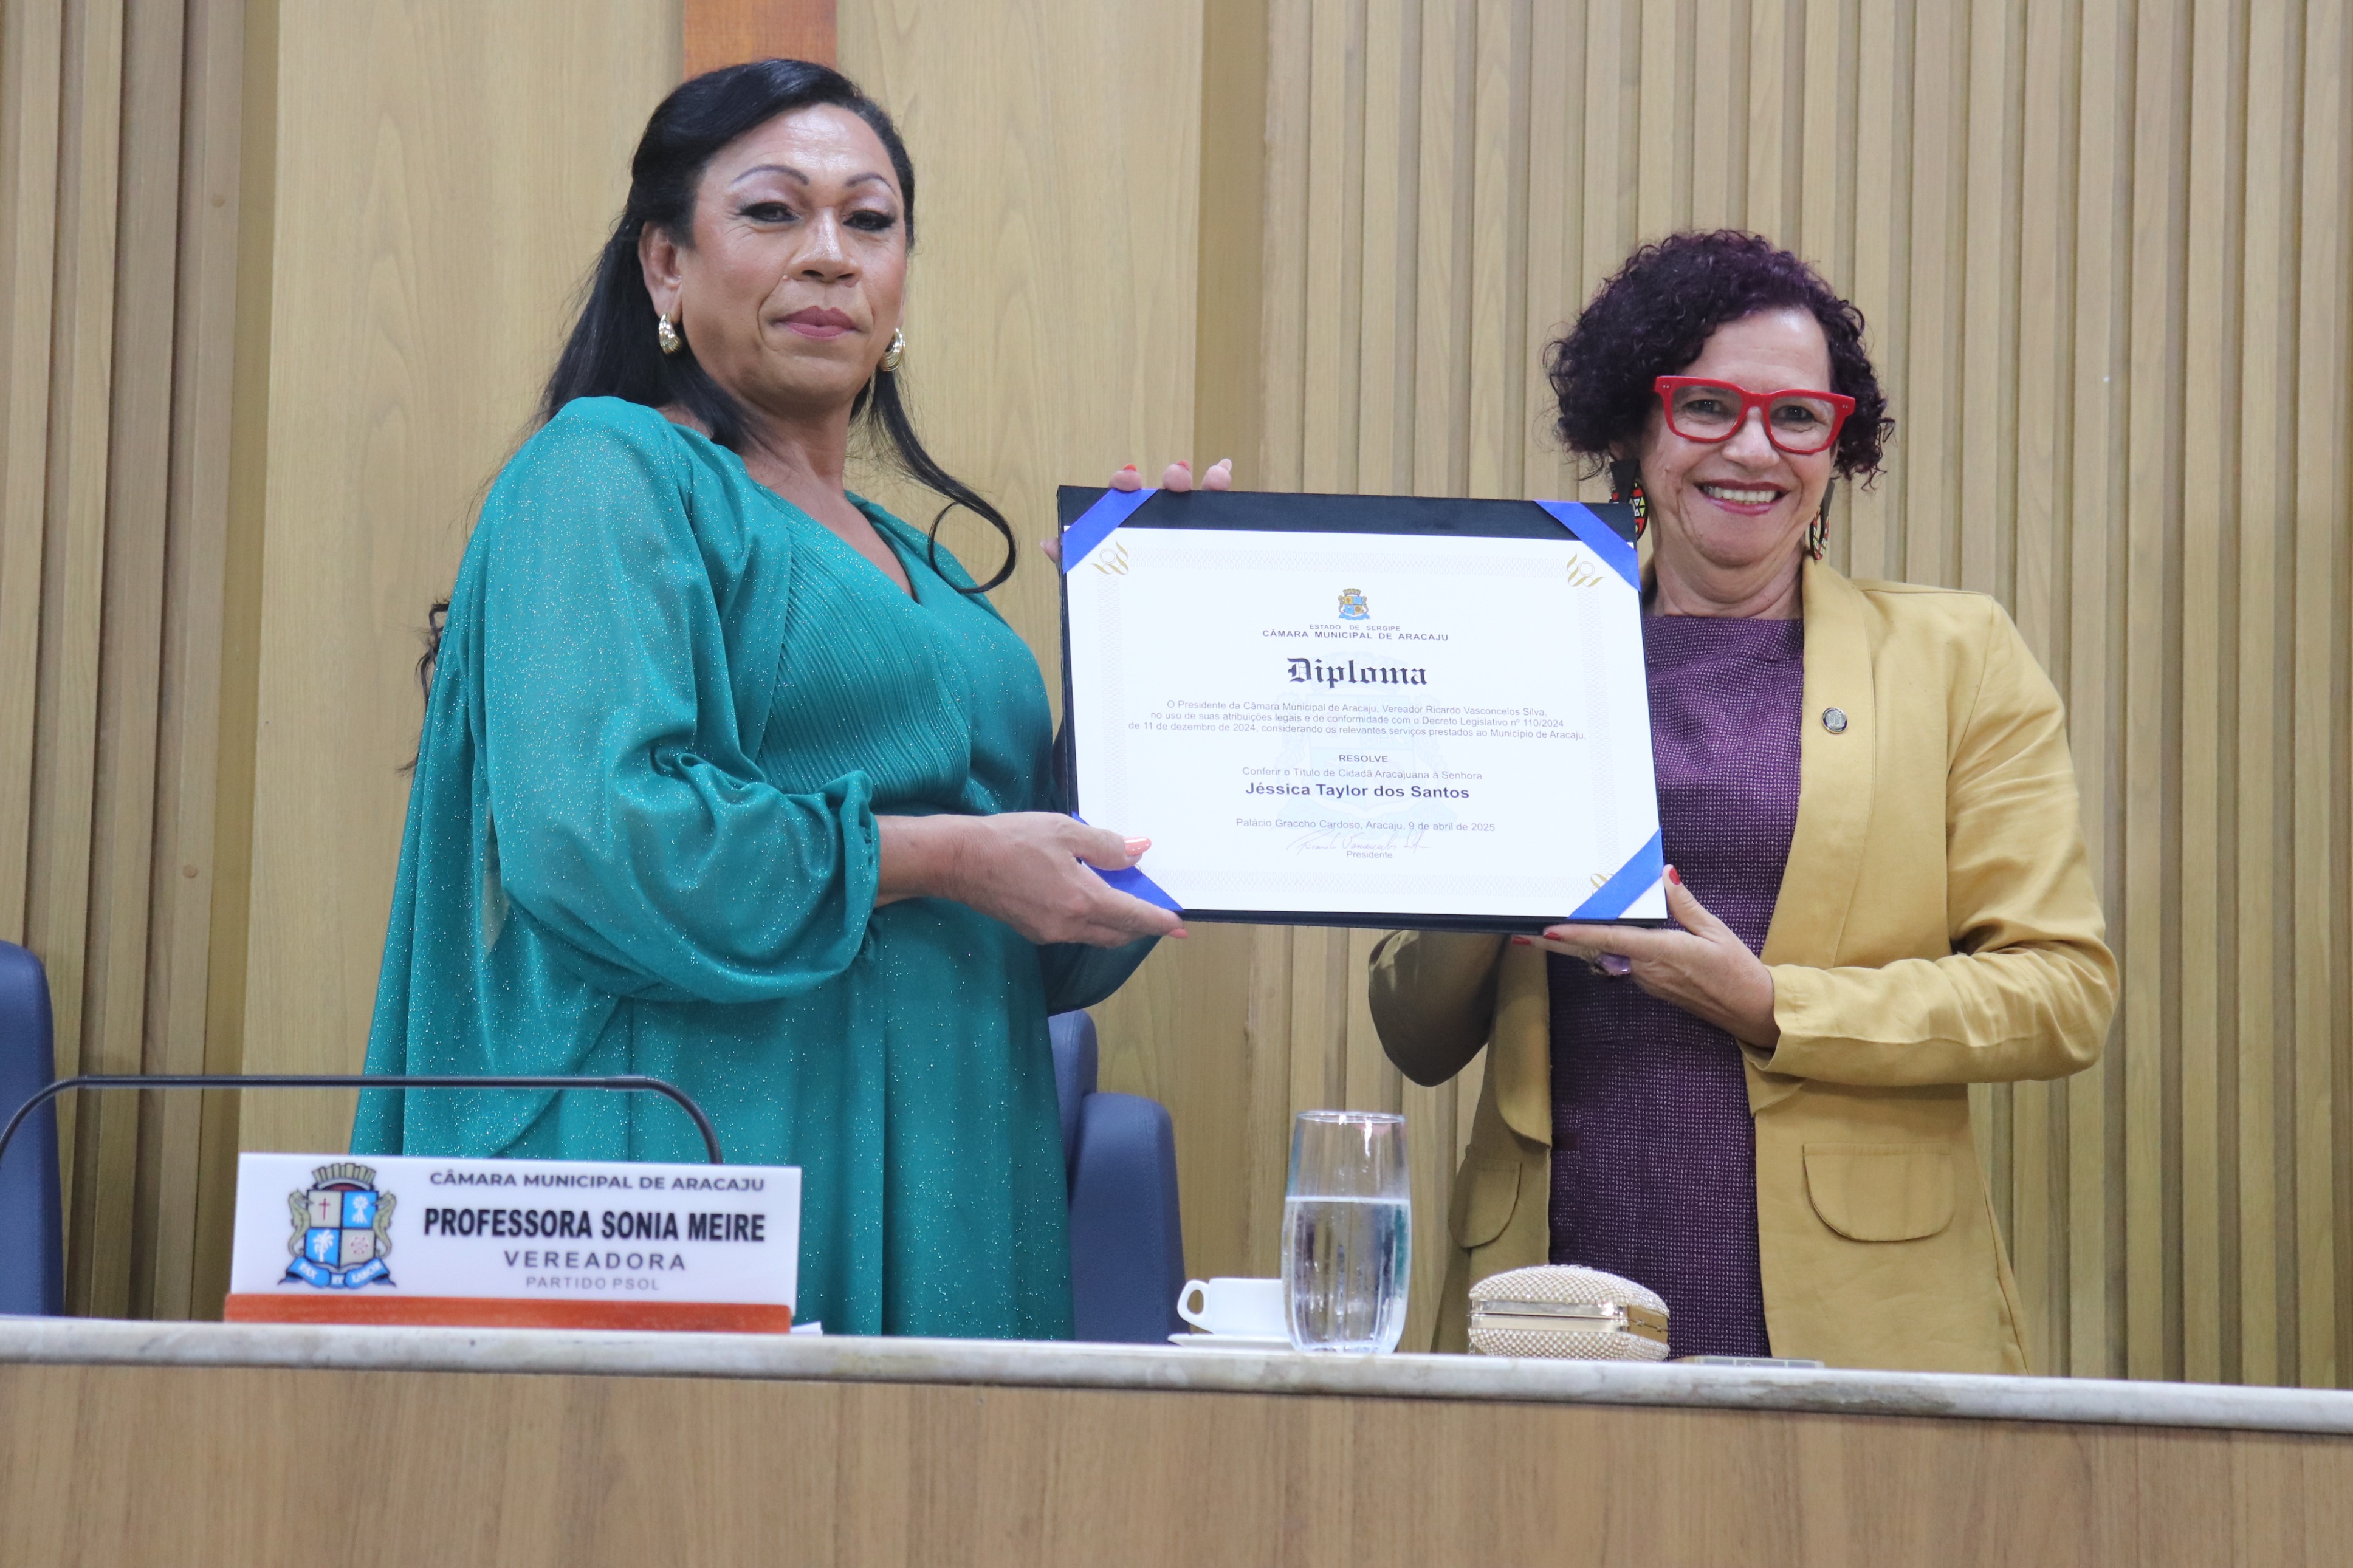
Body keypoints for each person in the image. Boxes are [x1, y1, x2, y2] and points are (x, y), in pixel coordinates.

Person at [355, 60, 1180, 1340]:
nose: (829, 254)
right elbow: (600, 836)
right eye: (772, 211)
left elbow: (1057, 937)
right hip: (692, 1173)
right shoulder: (605, 468)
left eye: (870, 220)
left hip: (959, 1177)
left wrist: (1166, 642)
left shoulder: (927, 572)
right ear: (664, 265)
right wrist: (947, 856)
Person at [1367, 231, 2116, 1371]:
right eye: (1707, 405)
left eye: (1797, 416)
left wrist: (1772, 1004)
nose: (1753, 448)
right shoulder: (1516, 647)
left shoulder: (1958, 657)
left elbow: (2063, 994)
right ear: (1634, 425)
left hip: (1864, 1312)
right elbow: (1413, 1033)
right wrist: (1500, 867)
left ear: (1837, 444)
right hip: (1552, 1297)